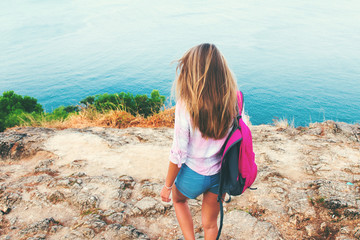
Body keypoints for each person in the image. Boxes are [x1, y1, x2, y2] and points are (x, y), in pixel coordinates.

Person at [160, 43, 239, 240]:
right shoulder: (234, 100)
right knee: (210, 224)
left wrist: (168, 186)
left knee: (178, 201)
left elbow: (179, 152)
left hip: (193, 174)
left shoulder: (185, 104)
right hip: (220, 175)